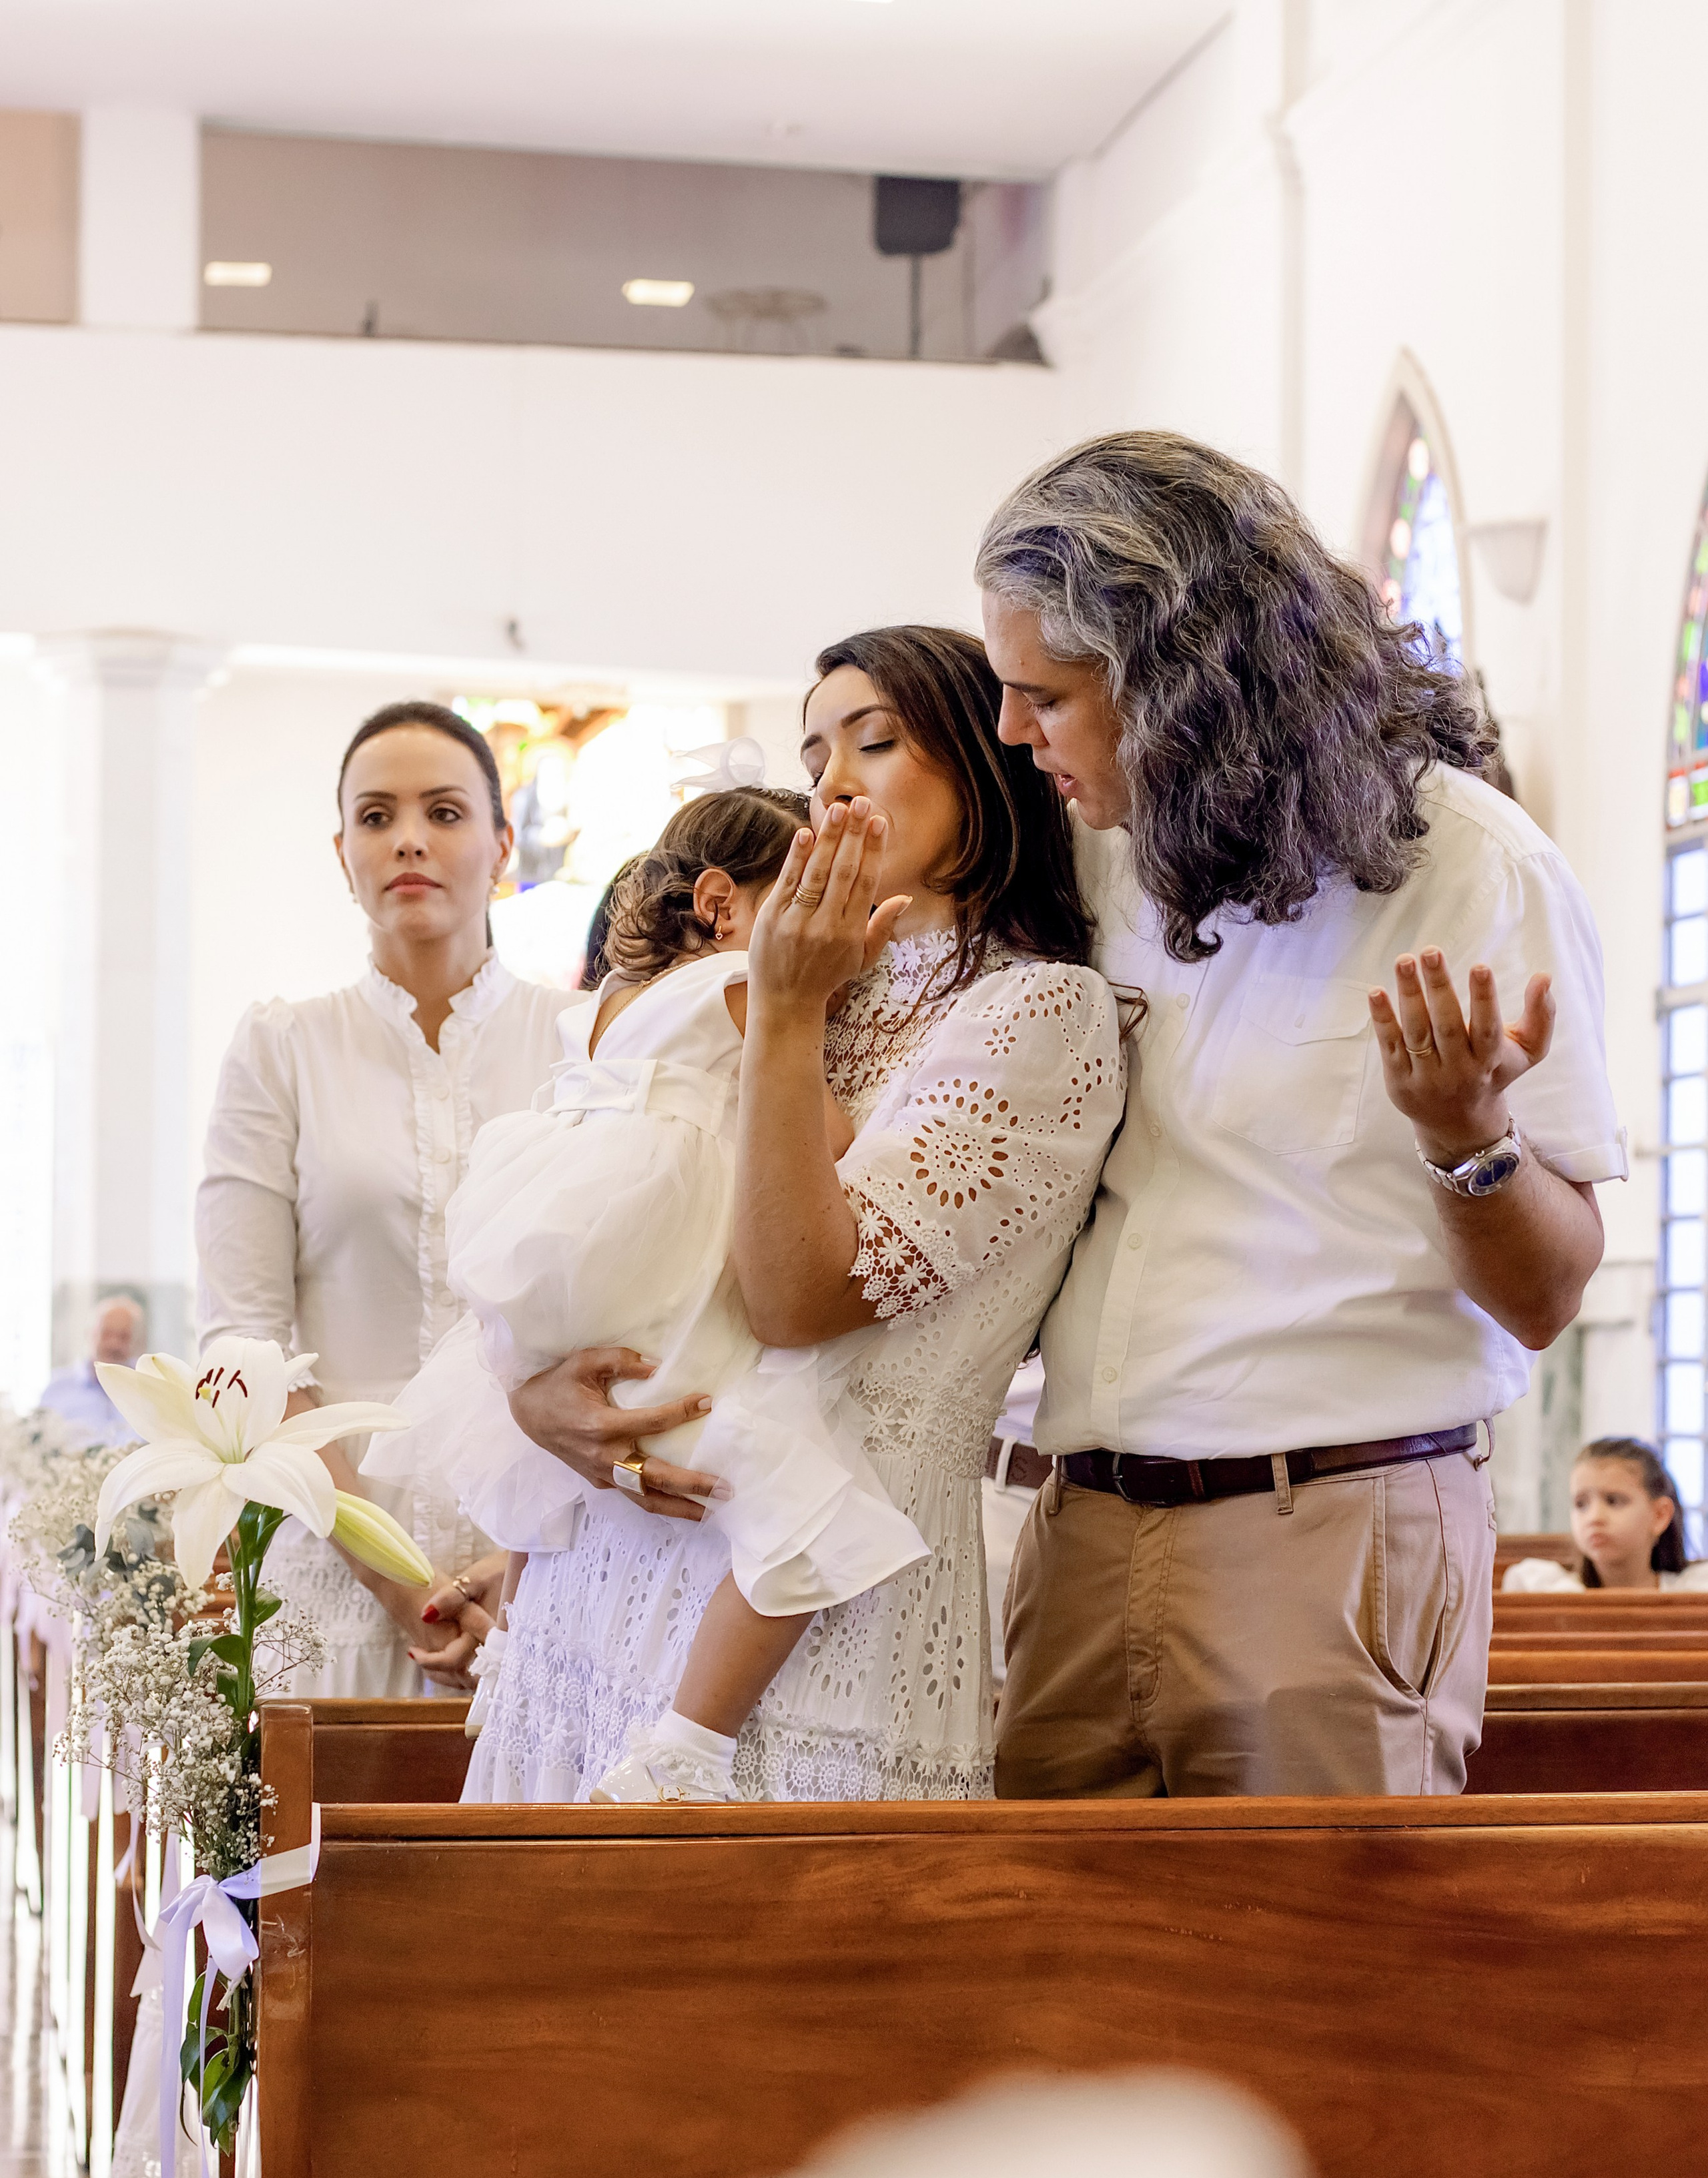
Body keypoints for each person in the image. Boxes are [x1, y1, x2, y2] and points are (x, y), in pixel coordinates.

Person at [975, 429, 1627, 1798]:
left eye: (1045, 694)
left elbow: (1548, 1292)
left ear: (1175, 684)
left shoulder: (1468, 870)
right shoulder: (1100, 859)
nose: (1011, 734)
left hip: (1327, 1523)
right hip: (1082, 1521)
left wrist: (1465, 1139)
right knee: (1054, 1994)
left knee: (1315, 1997)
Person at [466, 625, 1124, 1802]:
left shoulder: (1039, 1013)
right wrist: (536, 1402)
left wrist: (782, 1012)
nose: (828, 784)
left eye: (873, 740)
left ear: (990, 760)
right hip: (606, 1589)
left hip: (819, 1633)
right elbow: (605, 1217)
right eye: (814, 756)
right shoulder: (801, 981)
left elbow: (797, 1296)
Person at [390, 789, 926, 1804]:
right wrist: (819, 997)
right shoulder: (741, 984)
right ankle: (693, 1741)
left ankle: (513, 1634)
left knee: (580, 1444)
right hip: (647, 1246)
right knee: (794, 1497)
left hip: (555, 1251)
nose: (831, 926)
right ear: (725, 906)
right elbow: (833, 1144)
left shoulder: (602, 1002)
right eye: (809, 896)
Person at [194, 699, 566, 1695]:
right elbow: (242, 1346)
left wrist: (520, 1574)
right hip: (338, 1587)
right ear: (342, 853)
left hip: (554, 1574)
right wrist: (407, 1586)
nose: (409, 838)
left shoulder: (584, 1042)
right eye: (376, 816)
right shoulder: (283, 1048)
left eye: (445, 812)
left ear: (502, 842)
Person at [1502, 1439, 1708, 1591]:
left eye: (1613, 1501)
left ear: (1659, 1515)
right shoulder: (1546, 1590)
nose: (1594, 1518)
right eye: (1581, 1504)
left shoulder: (1696, 1593)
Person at [37, 1296, 145, 1444]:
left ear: (137, 1341)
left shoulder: (148, 1389)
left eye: (123, 1337)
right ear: (90, 1334)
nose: (114, 1344)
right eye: (106, 1334)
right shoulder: (56, 1389)